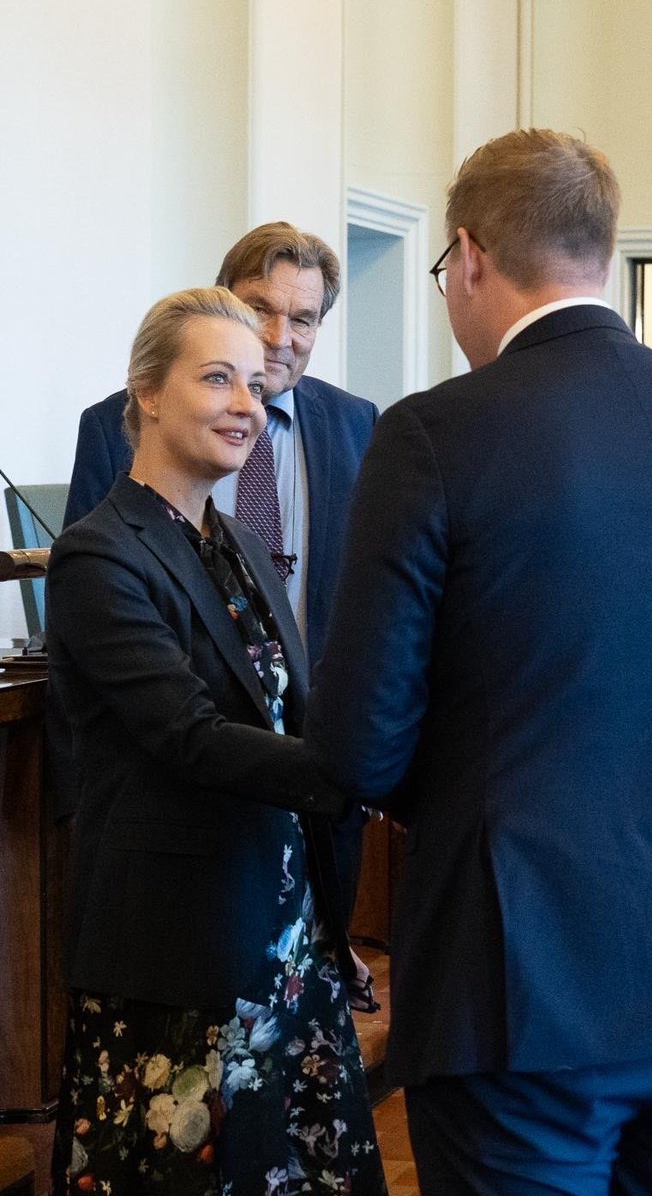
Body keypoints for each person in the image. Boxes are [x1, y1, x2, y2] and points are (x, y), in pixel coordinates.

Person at [304, 128, 652, 1196]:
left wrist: (472, 791)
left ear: (471, 255)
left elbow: (359, 743)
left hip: (525, 976)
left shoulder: (434, 433)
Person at [48, 287, 386, 1196]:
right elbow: (187, 737)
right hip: (178, 943)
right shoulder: (100, 553)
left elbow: (293, 712)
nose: (245, 403)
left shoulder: (232, 541)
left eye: (252, 383)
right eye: (216, 379)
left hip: (284, 932)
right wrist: (356, 770)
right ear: (148, 392)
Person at [61, 222, 378, 922]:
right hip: (170, 832)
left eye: (302, 318)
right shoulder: (105, 526)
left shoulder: (351, 435)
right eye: (259, 309)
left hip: (303, 823)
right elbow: (107, 666)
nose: (278, 336)